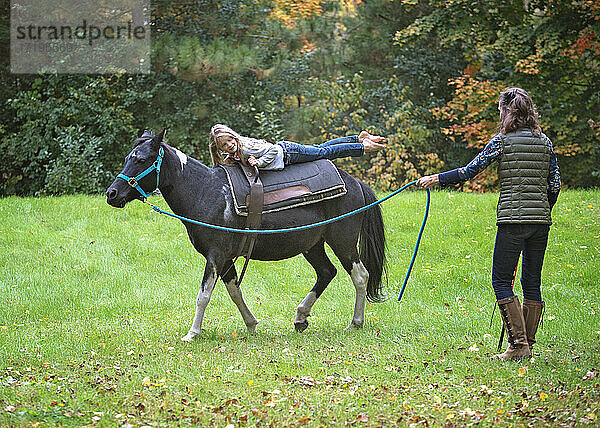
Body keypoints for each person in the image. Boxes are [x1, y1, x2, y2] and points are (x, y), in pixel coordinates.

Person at [417, 87, 561, 361]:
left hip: (512, 221)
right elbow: (555, 185)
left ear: (507, 112)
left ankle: (518, 346)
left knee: (501, 280)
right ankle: (527, 344)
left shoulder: (501, 141)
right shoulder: (546, 142)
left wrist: (437, 178)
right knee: (532, 282)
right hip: (540, 222)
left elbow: (470, 171)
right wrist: (543, 209)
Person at [209, 124, 386, 170]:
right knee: (321, 147)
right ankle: (358, 138)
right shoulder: (237, 151)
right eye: (224, 145)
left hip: (288, 153)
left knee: (325, 153)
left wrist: (259, 162)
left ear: (234, 137)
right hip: (287, 151)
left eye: (230, 140)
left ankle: (362, 147)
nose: (230, 145)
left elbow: (271, 150)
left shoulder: (245, 148)